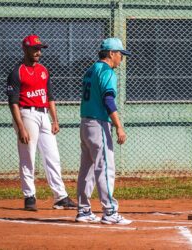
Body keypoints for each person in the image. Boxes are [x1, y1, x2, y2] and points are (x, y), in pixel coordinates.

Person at [6, 34, 77, 211]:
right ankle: (29, 196)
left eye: (40, 49)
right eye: (34, 48)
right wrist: (20, 127)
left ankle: (60, 197)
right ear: (25, 49)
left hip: (44, 114)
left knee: (52, 156)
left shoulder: (43, 70)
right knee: (28, 156)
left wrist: (55, 119)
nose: (38, 52)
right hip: (26, 114)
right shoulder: (17, 72)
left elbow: (50, 97)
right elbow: (13, 102)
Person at [75, 37, 132, 225]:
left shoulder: (90, 69)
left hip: (85, 123)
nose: (121, 58)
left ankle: (83, 210)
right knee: (105, 167)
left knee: (87, 169)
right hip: (99, 123)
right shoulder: (107, 72)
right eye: (120, 54)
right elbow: (109, 100)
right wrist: (119, 126)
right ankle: (110, 211)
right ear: (111, 54)